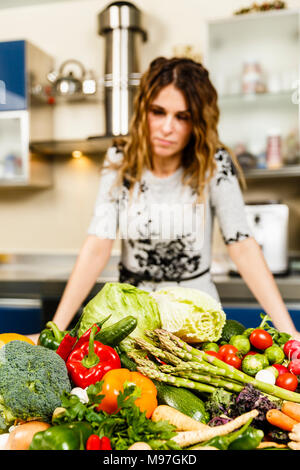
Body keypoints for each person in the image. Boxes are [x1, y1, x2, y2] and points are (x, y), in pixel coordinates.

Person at [29, 56, 300, 342]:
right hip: (134, 325)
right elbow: (98, 245)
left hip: (196, 326)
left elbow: (242, 246)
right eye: (158, 112)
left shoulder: (214, 163)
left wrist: (289, 332)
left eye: (182, 116)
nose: (167, 127)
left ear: (198, 122)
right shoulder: (120, 159)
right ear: (143, 110)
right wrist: (56, 331)